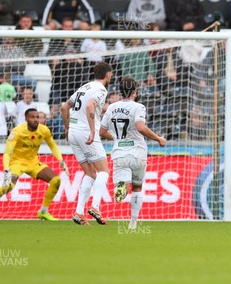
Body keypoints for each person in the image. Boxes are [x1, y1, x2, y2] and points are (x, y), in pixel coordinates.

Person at [0, 108, 69, 221]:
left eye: (37, 117)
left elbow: (53, 145)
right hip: (17, 163)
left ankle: (43, 211)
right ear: (26, 118)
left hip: (33, 163)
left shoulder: (44, 130)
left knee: (56, 180)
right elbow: (7, 153)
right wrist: (6, 170)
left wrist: (60, 160)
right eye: (32, 117)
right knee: (8, 186)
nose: (36, 120)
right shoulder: (17, 131)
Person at [99, 77, 166, 229]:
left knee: (120, 185)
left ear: (120, 91)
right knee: (137, 187)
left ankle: (121, 187)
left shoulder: (111, 107)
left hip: (119, 153)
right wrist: (158, 138)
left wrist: (116, 138)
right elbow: (141, 127)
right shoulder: (138, 107)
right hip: (138, 152)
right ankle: (133, 223)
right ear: (135, 91)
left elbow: (102, 131)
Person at [61, 62, 113, 226]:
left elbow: (64, 107)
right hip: (86, 132)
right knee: (104, 171)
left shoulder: (84, 87)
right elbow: (90, 105)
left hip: (74, 133)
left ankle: (79, 212)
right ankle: (95, 207)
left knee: (90, 174)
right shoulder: (101, 89)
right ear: (108, 75)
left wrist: (67, 128)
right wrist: (92, 130)